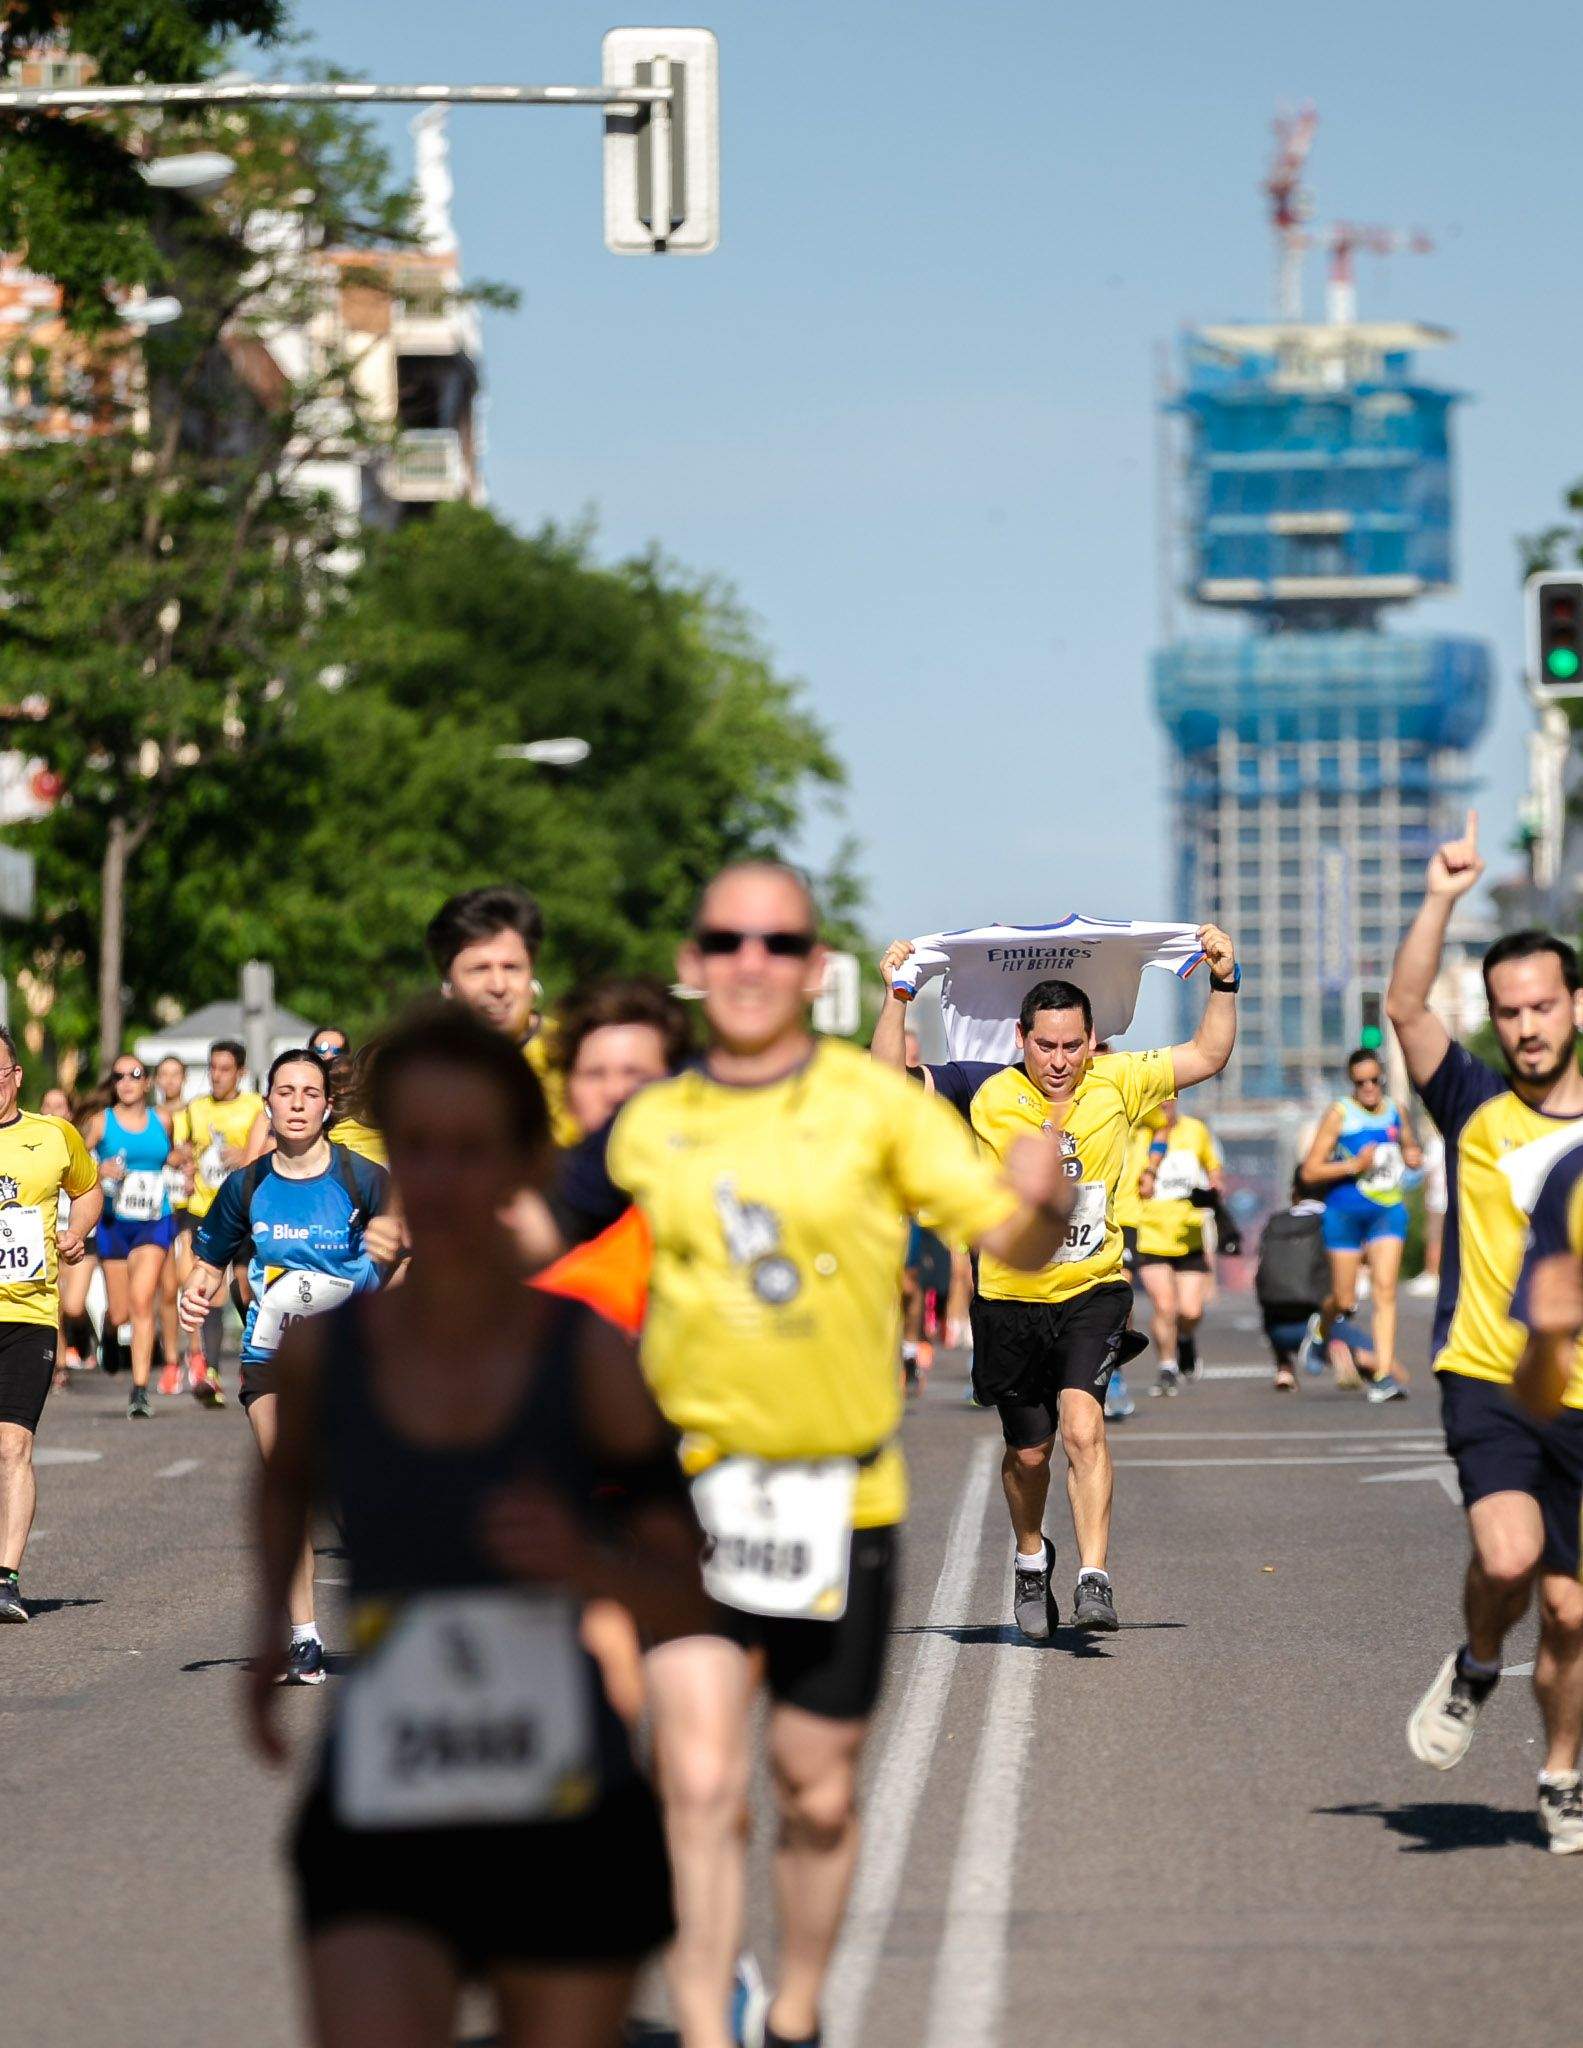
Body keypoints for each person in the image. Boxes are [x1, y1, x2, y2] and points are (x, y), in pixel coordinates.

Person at [609, 862, 1074, 2048]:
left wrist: (1035, 1203)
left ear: (812, 968)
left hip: (837, 1496)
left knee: (814, 1793)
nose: (750, 960)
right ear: (695, 960)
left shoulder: (875, 1108)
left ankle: (796, 2011)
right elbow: (560, 1267)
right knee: (697, 1783)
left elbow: (1008, 1233)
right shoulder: (649, 1122)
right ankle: (705, 2025)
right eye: (726, 939)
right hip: (688, 1495)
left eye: (777, 942)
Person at [247, 1006, 705, 2047]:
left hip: (560, 1796)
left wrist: (584, 1560)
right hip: (386, 1786)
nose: (443, 1178)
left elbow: (686, 1589)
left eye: (472, 1149)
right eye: (418, 1148)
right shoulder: (329, 1354)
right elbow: (281, 1483)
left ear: (525, 1164)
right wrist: (266, 1623)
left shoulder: (584, 1358)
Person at [874, 923, 1240, 1638]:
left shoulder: (1118, 1080)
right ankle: (1029, 1554)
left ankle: (1093, 1576)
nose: (1060, 1061)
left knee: (1082, 1426)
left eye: (1073, 1045)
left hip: (1091, 1291)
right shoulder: (983, 1087)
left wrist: (1223, 980)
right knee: (1028, 1452)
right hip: (1009, 1300)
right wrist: (897, 996)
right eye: (1046, 1046)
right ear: (1021, 1039)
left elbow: (1207, 1052)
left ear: (1092, 1038)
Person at [1384, 811, 1583, 1854]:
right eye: (1508, 1011)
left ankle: (1559, 1771)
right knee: (1506, 1559)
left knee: (1571, 1614)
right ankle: (1472, 1665)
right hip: (1489, 1375)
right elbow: (1404, 1006)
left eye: (1541, 1005)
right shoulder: (1468, 1103)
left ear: (1574, 1005)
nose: (1525, 1026)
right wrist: (1439, 899)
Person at [182, 1049, 392, 1683]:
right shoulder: (245, 1186)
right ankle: (305, 1639)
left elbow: (409, 1255)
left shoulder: (364, 1179)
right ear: (267, 1102)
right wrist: (196, 1291)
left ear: (327, 1106)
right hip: (270, 1355)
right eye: (285, 1092)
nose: (297, 1103)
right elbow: (209, 1263)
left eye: (310, 1093)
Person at [0, 1029, 102, 1622]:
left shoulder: (54, 1134)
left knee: (13, 1444)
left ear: (15, 1076)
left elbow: (88, 1191)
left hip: (29, 1314)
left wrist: (76, 1231)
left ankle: (5, 1577)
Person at [1298, 1048, 1424, 1402]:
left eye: (1374, 1080)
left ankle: (1383, 1376)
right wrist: (1354, 1165)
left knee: (1385, 1291)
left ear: (1382, 1077)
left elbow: (1410, 1148)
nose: (1368, 1088)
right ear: (1351, 1083)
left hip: (1387, 1211)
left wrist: (1413, 1156)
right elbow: (1310, 1171)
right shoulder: (1340, 1114)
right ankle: (1321, 1329)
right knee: (1344, 1298)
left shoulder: (1396, 1110)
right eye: (1360, 1082)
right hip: (1345, 1215)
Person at [425, 883, 581, 1148]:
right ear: (447, 984)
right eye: (479, 969)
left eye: (511, 968)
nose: (498, 986)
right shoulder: (423, 1070)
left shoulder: (574, 1055)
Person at [80, 1057, 177, 1420]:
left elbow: (170, 1154)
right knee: (120, 1311)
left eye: (134, 1074)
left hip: (154, 1220)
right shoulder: (100, 1122)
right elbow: (76, 1163)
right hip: (114, 1222)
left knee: (141, 1301)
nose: (126, 1081)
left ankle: (139, 1390)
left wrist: (181, 1159)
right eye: (119, 1076)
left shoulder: (162, 1119)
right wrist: (98, 1168)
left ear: (146, 1082)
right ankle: (109, 1331)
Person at [183, 1039, 265, 1403]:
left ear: (241, 1072)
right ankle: (212, 1373)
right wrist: (183, 1161)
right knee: (209, 1290)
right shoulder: (196, 1108)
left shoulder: (255, 1106)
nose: (216, 1075)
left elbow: (268, 1149)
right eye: (212, 1068)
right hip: (205, 1208)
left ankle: (254, 1356)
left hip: (245, 1210)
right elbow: (183, 1148)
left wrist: (247, 1154)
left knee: (245, 1289)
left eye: (225, 1069)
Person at [1133, 1098, 1225, 1394]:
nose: (1164, 1106)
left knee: (1191, 1311)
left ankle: (1184, 1339)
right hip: (1150, 1234)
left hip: (1189, 1233)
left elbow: (1213, 1168)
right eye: (1157, 1101)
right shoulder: (1138, 1134)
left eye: (1169, 1100)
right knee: (1165, 1306)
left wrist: (1214, 1187)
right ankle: (1167, 1366)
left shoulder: (1195, 1130)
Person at [1255, 1176, 1379, 1391]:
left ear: (1295, 1192)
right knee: (1376, 1360)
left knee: (1278, 1296)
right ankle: (1339, 1350)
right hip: (1322, 1322)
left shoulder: (1276, 1222)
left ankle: (1284, 1368)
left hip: (1276, 1328)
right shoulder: (1334, 1219)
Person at [152, 1055, 193, 1393]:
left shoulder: (195, 1112)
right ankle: (170, 1360)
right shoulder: (149, 1117)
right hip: (159, 1206)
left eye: (175, 1074)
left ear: (184, 1078)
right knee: (167, 1289)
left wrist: (190, 1161)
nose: (169, 1080)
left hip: (190, 1206)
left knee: (189, 1282)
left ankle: (197, 1354)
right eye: (163, 1074)